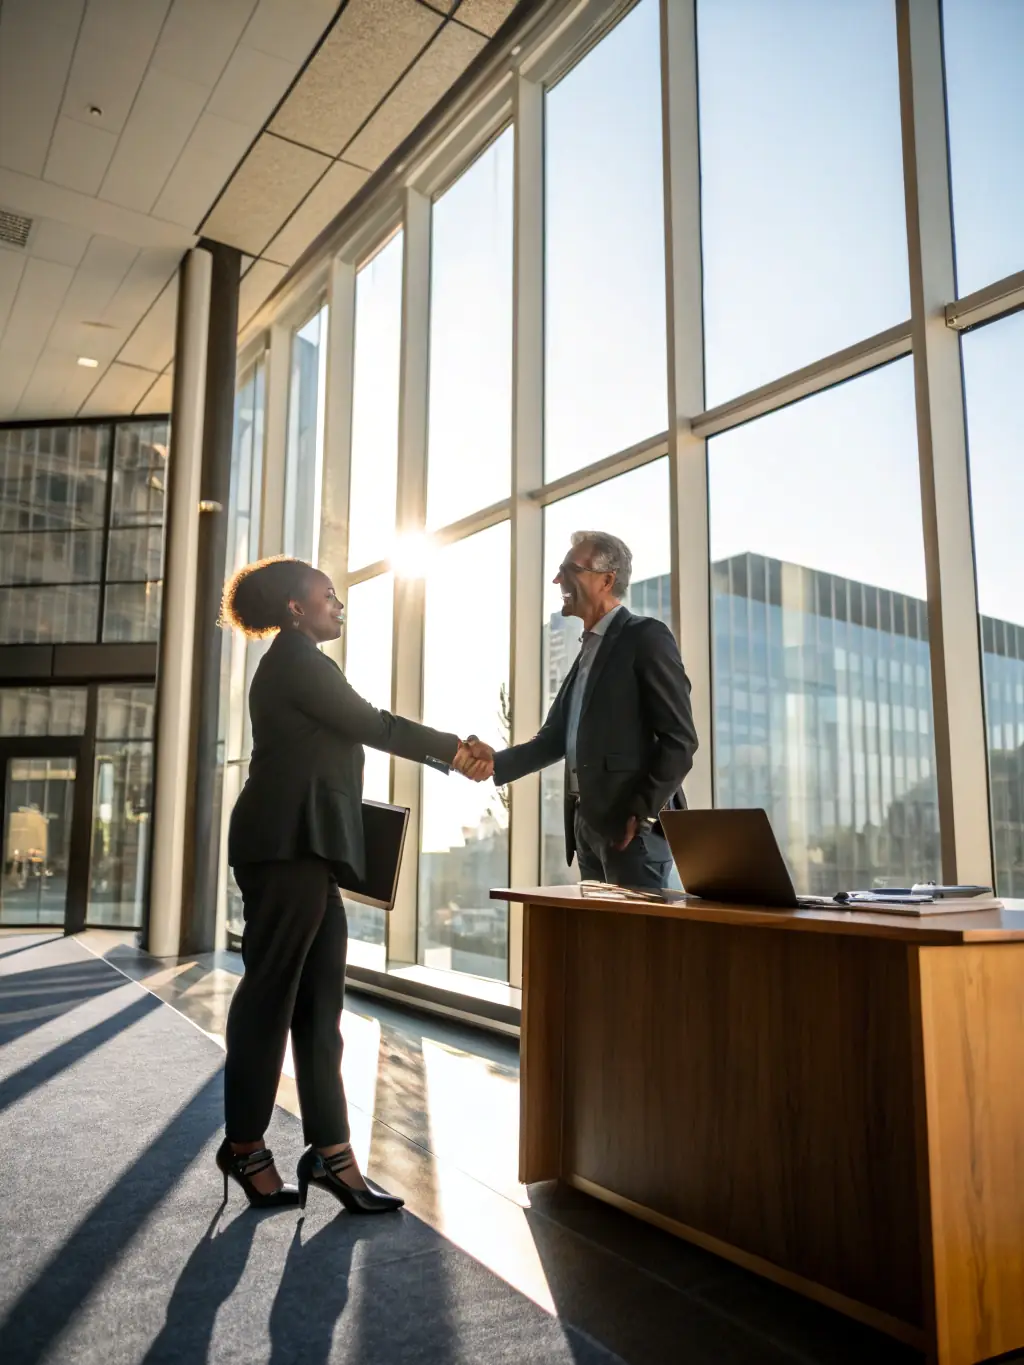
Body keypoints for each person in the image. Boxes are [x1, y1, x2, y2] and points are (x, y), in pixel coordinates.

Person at [218, 556, 484, 1214]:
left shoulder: (299, 661)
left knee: (320, 1012)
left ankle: (332, 1156)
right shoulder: (298, 661)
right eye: (329, 597)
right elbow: (377, 725)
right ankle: (246, 1145)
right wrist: (455, 747)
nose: (340, 605)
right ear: (295, 608)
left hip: (308, 853)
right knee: (271, 998)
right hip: (285, 850)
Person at [459, 532, 698, 889]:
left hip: (632, 833)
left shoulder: (645, 637)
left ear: (606, 580)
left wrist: (641, 813)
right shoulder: (587, 652)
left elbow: (680, 739)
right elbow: (553, 739)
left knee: (631, 944)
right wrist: (496, 763)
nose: (557, 580)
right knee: (598, 942)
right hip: (587, 828)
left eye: (569, 569)